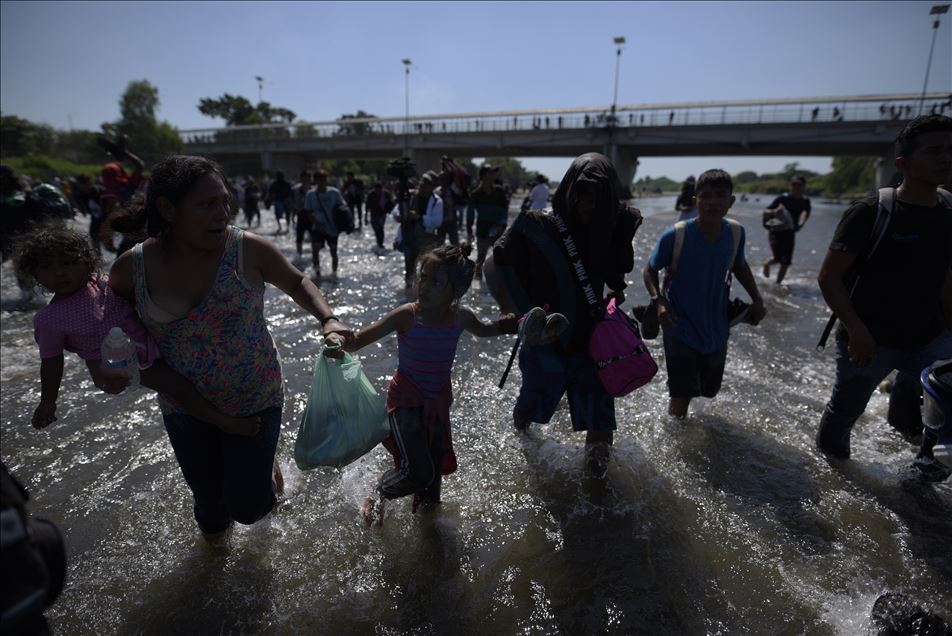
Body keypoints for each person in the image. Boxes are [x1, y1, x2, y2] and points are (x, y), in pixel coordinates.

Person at [105, 155, 351, 542]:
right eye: (206, 204)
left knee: (248, 508)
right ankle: (213, 578)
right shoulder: (131, 269)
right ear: (168, 209)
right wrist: (107, 369)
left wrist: (328, 318)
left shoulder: (246, 250)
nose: (221, 213)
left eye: (224, 201)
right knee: (210, 511)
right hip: (185, 405)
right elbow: (107, 329)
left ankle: (262, 466)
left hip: (254, 396)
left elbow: (298, 281)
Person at [13, 224, 258, 436]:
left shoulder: (98, 283)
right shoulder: (49, 319)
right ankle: (225, 423)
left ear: (87, 261)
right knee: (177, 388)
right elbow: (51, 361)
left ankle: (215, 417)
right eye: (46, 267)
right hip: (120, 364)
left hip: (148, 341)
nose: (58, 272)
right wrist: (48, 402)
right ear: (34, 275)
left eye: (67, 263)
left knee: (195, 379)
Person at [815, 115, 952, 475]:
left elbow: (947, 278)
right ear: (902, 164)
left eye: (951, 150)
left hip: (930, 337)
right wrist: (857, 331)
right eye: (934, 151)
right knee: (845, 412)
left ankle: (922, 471)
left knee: (942, 410)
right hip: (869, 340)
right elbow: (829, 277)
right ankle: (834, 476)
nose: (946, 158)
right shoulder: (871, 212)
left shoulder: (950, 210)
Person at [342, 244, 517, 525]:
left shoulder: (460, 317)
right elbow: (361, 339)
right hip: (405, 401)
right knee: (418, 472)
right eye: (423, 277)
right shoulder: (407, 315)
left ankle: (427, 545)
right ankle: (376, 493)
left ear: (455, 293)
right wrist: (341, 340)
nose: (424, 286)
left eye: (436, 282)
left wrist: (508, 324)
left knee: (432, 492)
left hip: (436, 403)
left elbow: (485, 330)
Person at [492, 153, 641, 472]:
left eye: (597, 198)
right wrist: (509, 309)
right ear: (569, 191)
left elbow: (618, 274)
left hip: (594, 340)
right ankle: (521, 449)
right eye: (582, 196)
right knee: (530, 408)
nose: (588, 205)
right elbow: (496, 262)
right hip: (545, 338)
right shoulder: (536, 224)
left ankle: (597, 487)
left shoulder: (616, 225)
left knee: (600, 420)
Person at [643, 169, 767, 419]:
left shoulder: (735, 234)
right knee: (682, 392)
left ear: (731, 201)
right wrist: (659, 300)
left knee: (709, 390)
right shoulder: (676, 235)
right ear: (694, 201)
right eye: (706, 196)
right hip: (678, 324)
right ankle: (677, 446)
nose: (713, 202)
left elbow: (740, 266)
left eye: (721, 196)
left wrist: (757, 299)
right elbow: (649, 270)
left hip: (716, 326)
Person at [394, 170, 443, 288]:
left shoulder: (437, 201)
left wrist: (419, 217)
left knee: (426, 267)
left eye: (427, 183)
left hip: (426, 239)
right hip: (409, 236)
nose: (423, 184)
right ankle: (409, 288)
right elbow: (395, 210)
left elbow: (437, 221)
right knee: (409, 265)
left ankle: (423, 288)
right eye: (422, 181)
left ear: (432, 187)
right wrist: (398, 215)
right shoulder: (409, 195)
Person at [762, 175, 811, 284]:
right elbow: (766, 211)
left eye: (799, 185)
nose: (796, 187)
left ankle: (777, 285)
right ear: (790, 185)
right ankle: (766, 265)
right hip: (776, 232)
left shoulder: (805, 201)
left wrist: (801, 224)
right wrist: (774, 211)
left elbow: (806, 212)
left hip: (790, 233)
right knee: (777, 258)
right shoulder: (782, 198)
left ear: (804, 187)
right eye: (794, 184)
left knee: (786, 262)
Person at [303, 169, 348, 278]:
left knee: (333, 251)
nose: (322, 182)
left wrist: (344, 224)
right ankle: (318, 274)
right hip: (317, 227)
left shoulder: (334, 192)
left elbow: (343, 207)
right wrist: (317, 224)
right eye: (320, 179)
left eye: (324, 179)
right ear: (315, 181)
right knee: (315, 249)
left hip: (332, 228)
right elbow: (308, 212)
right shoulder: (311, 194)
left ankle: (334, 274)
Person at [466, 164, 509, 279]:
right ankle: (477, 287)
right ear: (483, 176)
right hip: (482, 231)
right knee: (480, 258)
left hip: (498, 230)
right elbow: (470, 215)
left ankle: (499, 282)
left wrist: (502, 225)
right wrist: (469, 231)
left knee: (500, 257)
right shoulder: (475, 194)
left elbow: (504, 210)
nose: (493, 175)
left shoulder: (499, 191)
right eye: (490, 173)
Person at [291, 171, 315, 261]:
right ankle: (299, 256)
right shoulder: (295, 190)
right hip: (301, 215)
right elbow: (293, 204)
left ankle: (314, 255)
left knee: (314, 237)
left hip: (312, 217)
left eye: (307, 179)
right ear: (301, 179)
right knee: (299, 237)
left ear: (310, 179)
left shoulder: (313, 190)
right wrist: (293, 216)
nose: (305, 181)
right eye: (303, 178)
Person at [364, 181, 394, 250]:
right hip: (373, 214)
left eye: (379, 190)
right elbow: (367, 206)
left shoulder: (385, 194)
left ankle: (380, 243)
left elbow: (391, 203)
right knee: (376, 228)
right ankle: (379, 241)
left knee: (380, 227)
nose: (378, 191)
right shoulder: (371, 195)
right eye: (376, 190)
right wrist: (365, 217)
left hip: (382, 214)